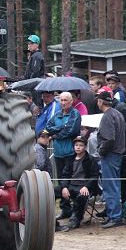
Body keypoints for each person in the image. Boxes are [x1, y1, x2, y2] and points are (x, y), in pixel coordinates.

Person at [46, 92, 82, 220]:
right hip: (59, 153)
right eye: (61, 100)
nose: (63, 102)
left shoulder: (75, 114)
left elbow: (71, 130)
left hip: (71, 153)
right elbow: (48, 127)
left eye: (66, 100)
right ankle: (65, 208)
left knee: (71, 181)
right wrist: (60, 128)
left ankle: (75, 209)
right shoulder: (57, 115)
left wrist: (56, 135)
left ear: (71, 101)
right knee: (61, 181)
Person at [96, 88, 126, 228]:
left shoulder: (108, 115)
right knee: (114, 185)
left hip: (110, 154)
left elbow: (109, 138)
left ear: (101, 101)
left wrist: (101, 151)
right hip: (118, 153)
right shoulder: (118, 114)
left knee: (110, 186)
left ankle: (115, 216)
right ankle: (113, 213)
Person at [55, 136, 100, 232]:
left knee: (81, 196)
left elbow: (94, 176)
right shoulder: (70, 159)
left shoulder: (91, 160)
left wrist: (87, 187)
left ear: (85, 147)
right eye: (76, 145)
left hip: (84, 187)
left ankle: (76, 219)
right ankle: (53, 220)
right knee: (51, 192)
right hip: (71, 186)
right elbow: (65, 175)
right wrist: (64, 187)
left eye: (81, 145)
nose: (78, 147)